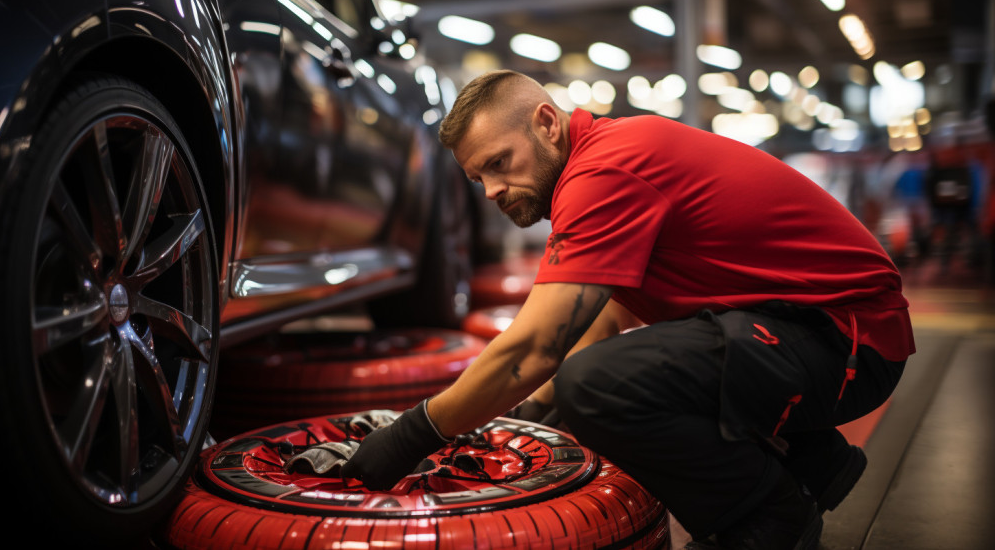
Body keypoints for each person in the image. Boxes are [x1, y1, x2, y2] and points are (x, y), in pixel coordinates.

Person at [341, 70, 914, 549]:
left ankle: (768, 516)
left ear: (546, 123)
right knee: (591, 381)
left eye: (498, 162)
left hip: (851, 342)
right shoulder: (602, 156)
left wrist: (408, 437)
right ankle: (814, 458)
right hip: (814, 333)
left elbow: (536, 348)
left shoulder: (604, 169)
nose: (490, 190)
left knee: (596, 385)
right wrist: (535, 416)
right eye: (477, 178)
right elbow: (606, 315)